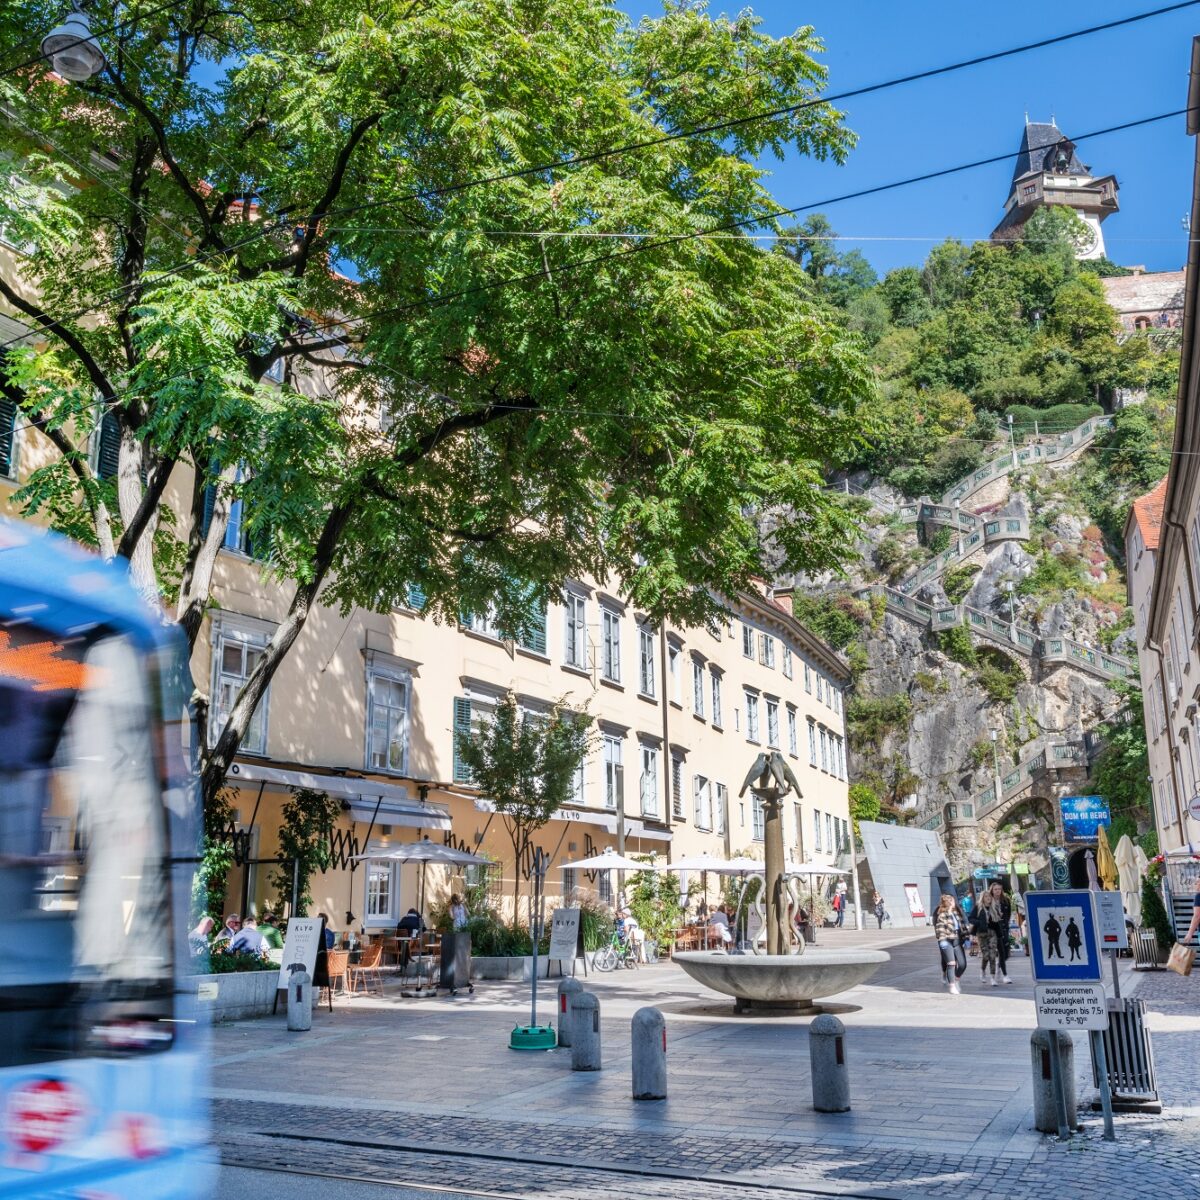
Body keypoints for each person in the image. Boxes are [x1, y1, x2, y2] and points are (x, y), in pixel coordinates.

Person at [934, 893, 966, 994]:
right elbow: (940, 929)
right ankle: (952, 985)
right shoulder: (942, 915)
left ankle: (956, 979)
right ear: (948, 902)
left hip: (957, 941)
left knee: (962, 964)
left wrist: (967, 936)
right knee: (951, 963)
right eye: (952, 901)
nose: (954, 902)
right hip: (947, 941)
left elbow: (962, 927)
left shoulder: (956, 913)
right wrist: (942, 941)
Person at [985, 882, 1014, 983]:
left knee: (1006, 953)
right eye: (995, 889)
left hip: (1004, 928)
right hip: (993, 930)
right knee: (1000, 952)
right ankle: (1005, 975)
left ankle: (1000, 964)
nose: (997, 891)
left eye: (999, 889)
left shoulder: (1005, 901)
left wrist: (1005, 923)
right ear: (992, 890)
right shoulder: (988, 901)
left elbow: (1008, 914)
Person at [973, 891, 1001, 986]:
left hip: (992, 933)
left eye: (989, 896)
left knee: (992, 955)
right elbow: (970, 918)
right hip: (981, 933)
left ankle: (992, 978)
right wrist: (979, 923)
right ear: (982, 898)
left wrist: (1000, 934)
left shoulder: (994, 908)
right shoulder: (978, 907)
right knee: (986, 956)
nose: (988, 898)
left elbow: (997, 923)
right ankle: (982, 970)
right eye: (986, 896)